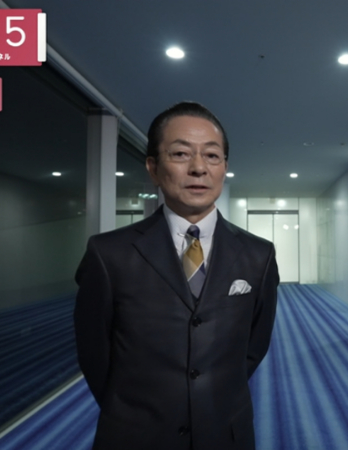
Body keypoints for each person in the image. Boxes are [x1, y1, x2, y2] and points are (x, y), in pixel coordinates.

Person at [74, 101, 279, 450]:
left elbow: (253, 349)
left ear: (224, 167)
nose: (199, 168)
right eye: (181, 154)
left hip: (225, 434)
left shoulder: (259, 255)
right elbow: (95, 354)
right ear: (153, 168)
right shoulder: (109, 254)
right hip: (135, 437)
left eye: (212, 156)